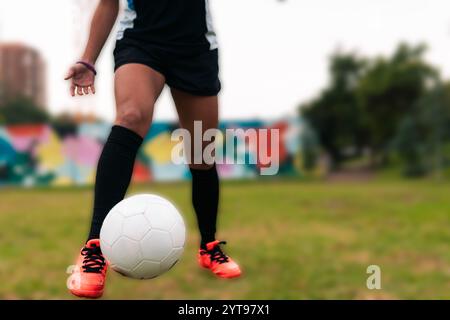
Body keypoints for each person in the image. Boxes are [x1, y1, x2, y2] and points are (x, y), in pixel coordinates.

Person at [65, 0, 241, 299]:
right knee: (131, 116)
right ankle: (94, 249)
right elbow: (109, 4)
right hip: (141, 41)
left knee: (202, 152)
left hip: (195, 48)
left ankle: (209, 247)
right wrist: (88, 59)